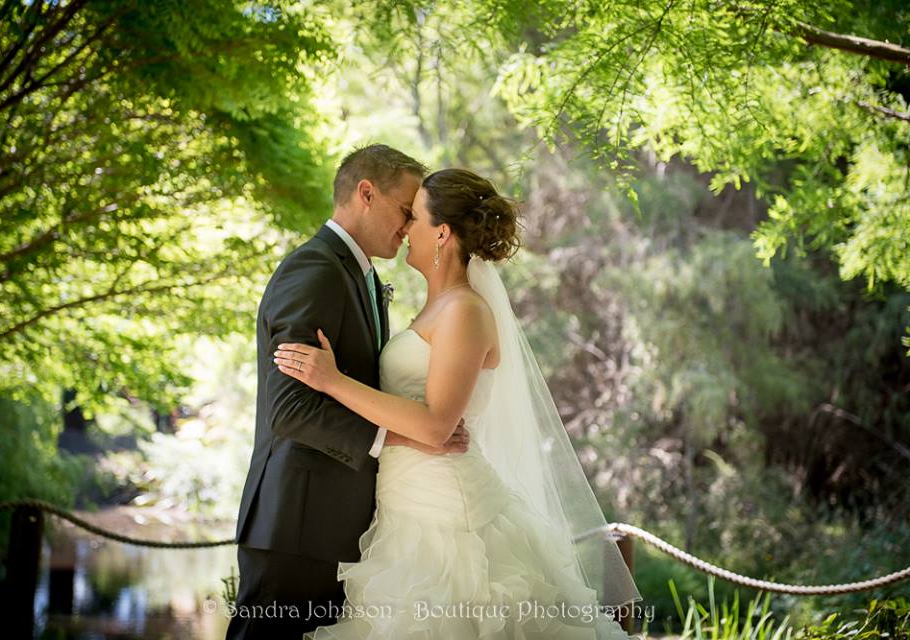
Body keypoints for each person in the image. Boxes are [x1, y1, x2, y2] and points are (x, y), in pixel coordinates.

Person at [275, 168, 643, 639]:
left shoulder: (465, 311)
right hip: (406, 505)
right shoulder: (436, 307)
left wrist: (331, 381)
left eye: (416, 218)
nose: (406, 229)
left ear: (442, 233)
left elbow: (435, 426)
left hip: (449, 517)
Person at [227, 145, 472, 640]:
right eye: (406, 211)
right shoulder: (314, 270)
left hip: (339, 529)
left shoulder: (365, 277)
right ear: (366, 193)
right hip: (297, 524)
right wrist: (401, 439)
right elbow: (290, 409)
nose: (409, 227)